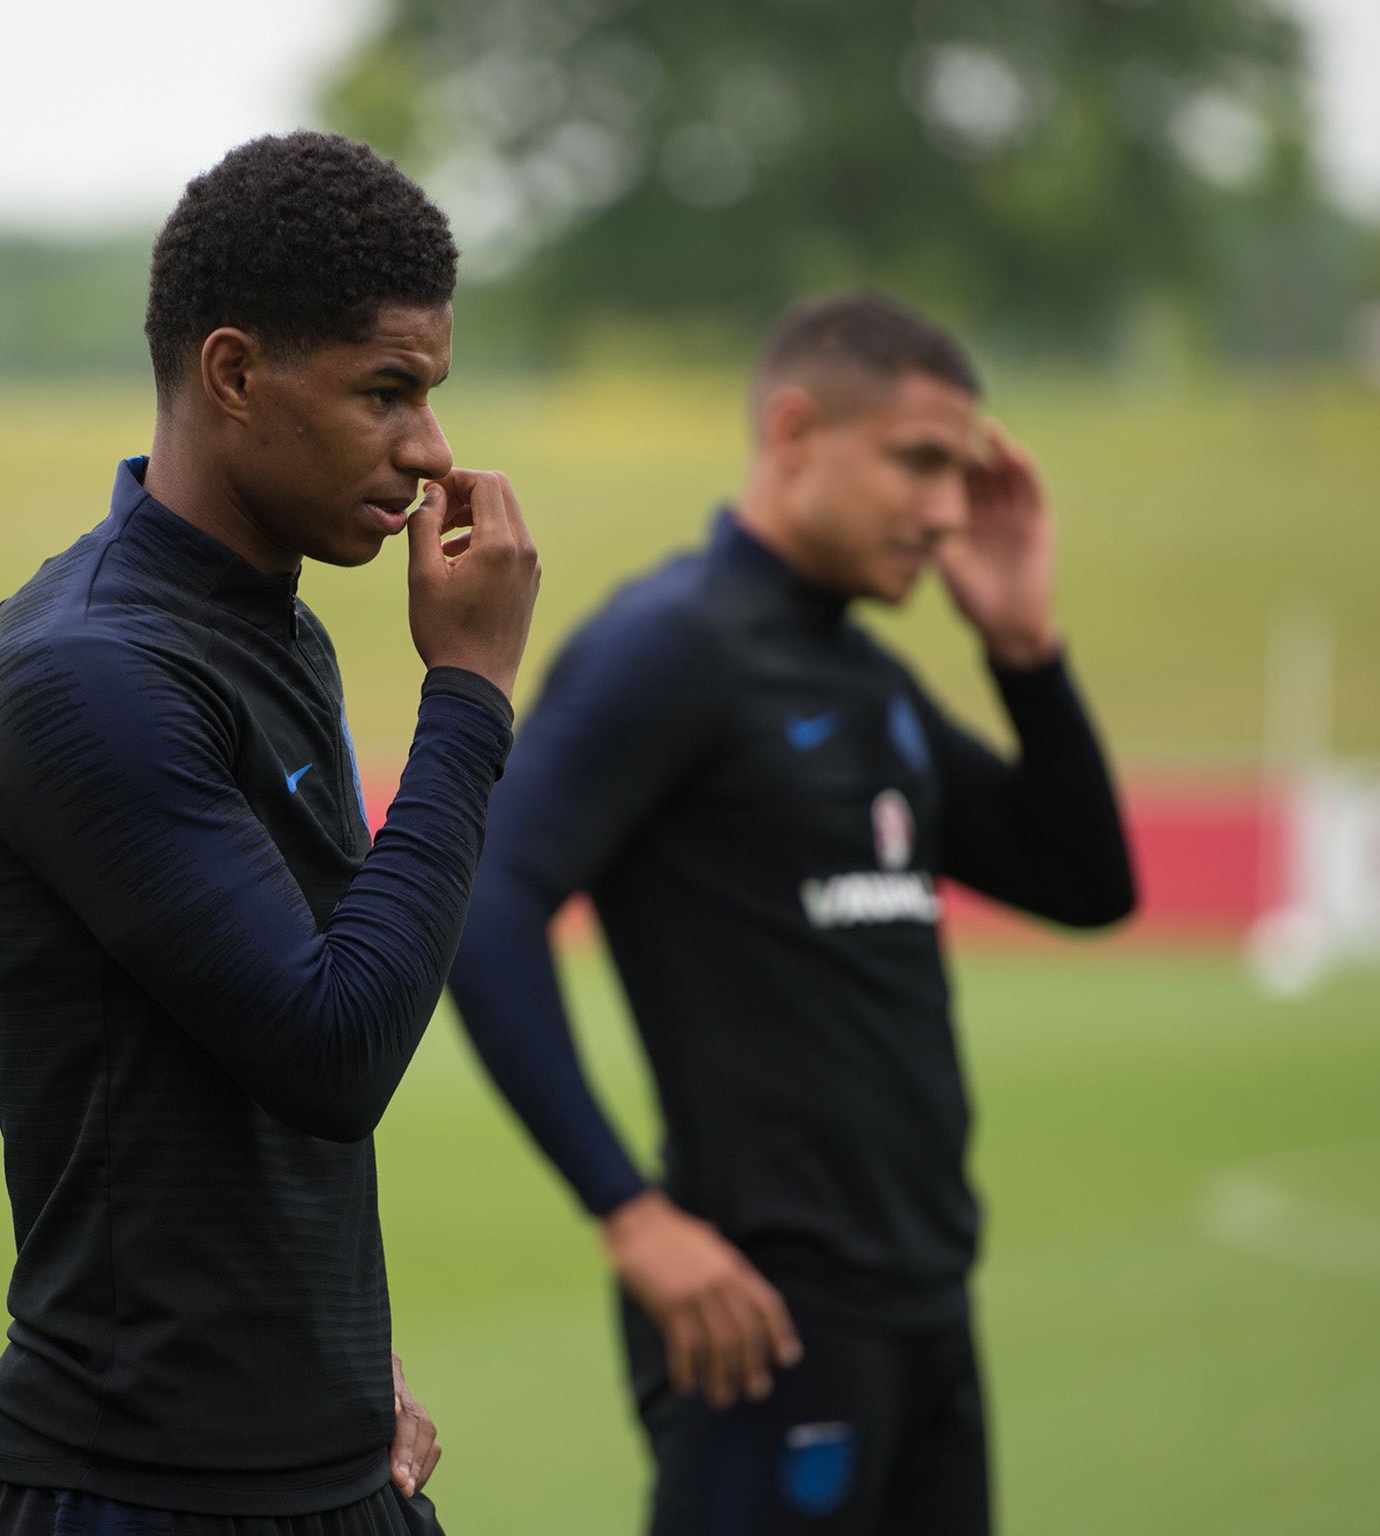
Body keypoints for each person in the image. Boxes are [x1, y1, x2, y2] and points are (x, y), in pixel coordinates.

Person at [448, 290, 1135, 1534]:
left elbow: (1085, 885)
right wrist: (627, 1212)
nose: (943, 510)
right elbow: (483, 900)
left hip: (925, 1307)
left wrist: (1024, 650)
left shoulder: (862, 676)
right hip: (761, 1322)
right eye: (918, 461)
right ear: (795, 433)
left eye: (960, 472)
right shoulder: (670, 646)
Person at [0, 131, 539, 1536]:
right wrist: (466, 697)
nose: (431, 451)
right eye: (385, 391)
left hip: (333, 1471)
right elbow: (331, 1051)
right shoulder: (87, 669)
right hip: (130, 1493)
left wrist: (330, 1374)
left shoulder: (275, 632)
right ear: (232, 375)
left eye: (434, 394)